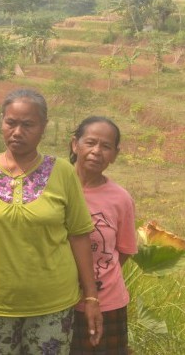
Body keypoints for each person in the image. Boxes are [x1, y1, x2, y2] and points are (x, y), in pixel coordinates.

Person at [0, 88, 103, 354]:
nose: (17, 132)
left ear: (43, 127)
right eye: (11, 122)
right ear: (2, 123)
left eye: (28, 124)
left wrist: (91, 297)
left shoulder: (63, 173)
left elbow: (79, 236)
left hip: (53, 305)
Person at [69, 117, 136, 355]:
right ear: (75, 144)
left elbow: (125, 250)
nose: (97, 151)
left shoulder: (121, 199)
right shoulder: (54, 187)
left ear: (115, 155)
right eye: (91, 143)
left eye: (106, 146)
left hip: (107, 302)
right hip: (57, 300)